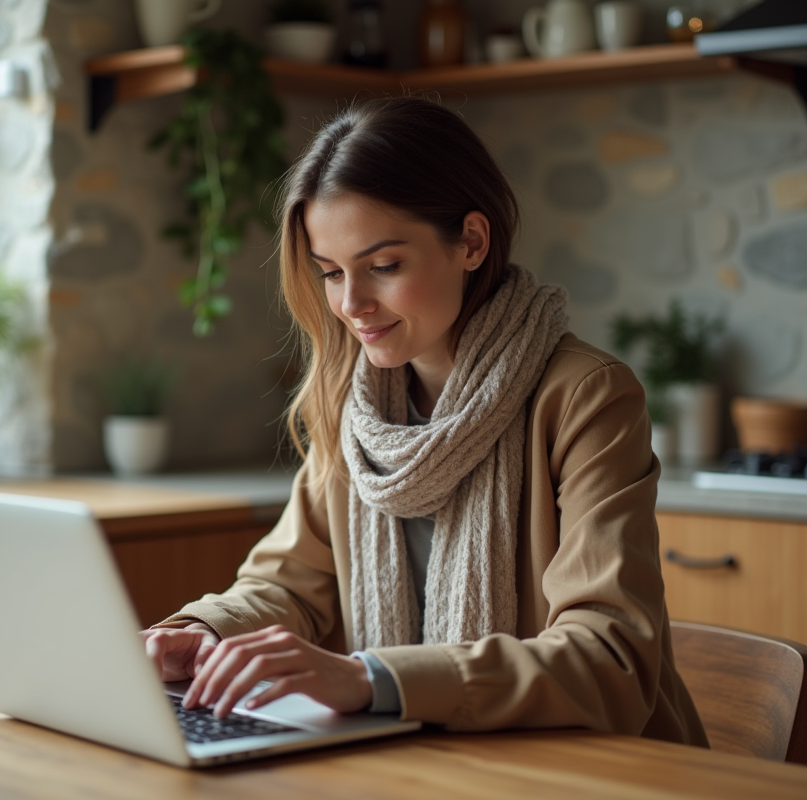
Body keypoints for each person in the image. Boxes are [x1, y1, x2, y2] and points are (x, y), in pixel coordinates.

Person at [142, 95, 708, 745]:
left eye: (383, 266)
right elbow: (287, 585)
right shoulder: (351, 406)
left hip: (589, 772)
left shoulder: (586, 397)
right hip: (424, 761)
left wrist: (370, 678)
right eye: (331, 273)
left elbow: (609, 661)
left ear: (470, 242)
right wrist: (195, 633)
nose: (351, 304)